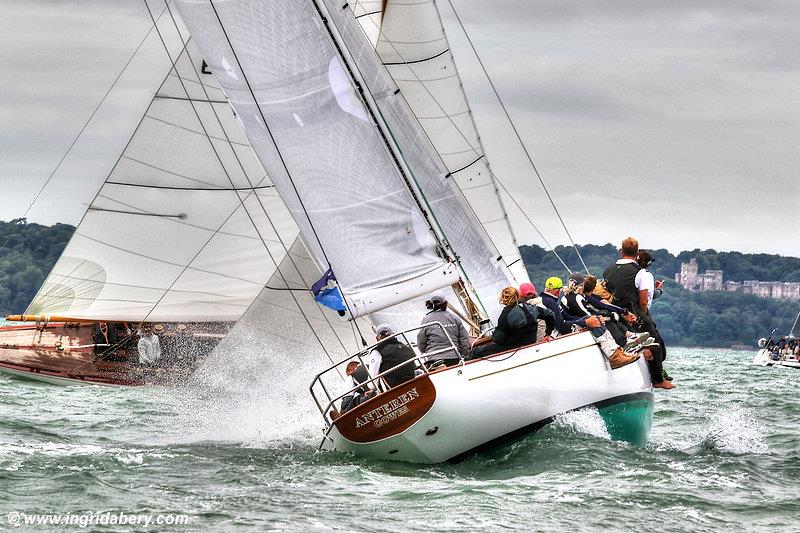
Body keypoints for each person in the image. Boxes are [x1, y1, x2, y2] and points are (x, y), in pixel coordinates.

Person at [603, 237, 674, 389]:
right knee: (657, 344)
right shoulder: (640, 272)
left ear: (621, 252)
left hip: (612, 313)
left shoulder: (607, 271)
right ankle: (658, 380)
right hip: (633, 313)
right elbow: (643, 301)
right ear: (636, 254)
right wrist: (643, 317)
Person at [541, 276, 640, 369]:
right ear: (558, 290)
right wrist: (586, 322)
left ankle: (619, 351)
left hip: (563, 328)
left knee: (595, 318)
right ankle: (616, 353)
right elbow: (561, 325)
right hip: (559, 333)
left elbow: (568, 317)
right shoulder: (554, 302)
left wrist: (586, 320)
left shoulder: (550, 300)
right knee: (596, 320)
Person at [470, 286, 555, 359]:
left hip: (514, 348)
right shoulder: (531, 307)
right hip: (531, 343)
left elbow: (498, 339)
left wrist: (495, 335)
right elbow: (550, 315)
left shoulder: (506, 314)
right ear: (517, 296)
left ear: (503, 298)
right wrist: (548, 334)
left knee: (476, 352)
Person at [417, 291, 470, 367]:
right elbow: (464, 339)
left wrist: (426, 352)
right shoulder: (454, 318)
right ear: (445, 303)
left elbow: (421, 342)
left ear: (430, 304)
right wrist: (465, 355)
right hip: (454, 358)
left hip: (434, 360)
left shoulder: (426, 320)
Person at [368, 324, 417, 388]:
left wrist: (371, 389)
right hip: (414, 382)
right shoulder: (404, 346)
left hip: (394, 390)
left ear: (377, 338)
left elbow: (372, 384)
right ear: (393, 334)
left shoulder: (376, 352)